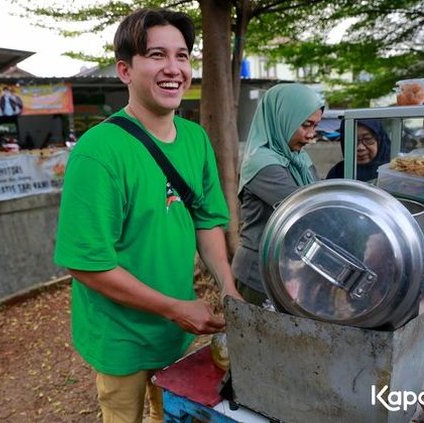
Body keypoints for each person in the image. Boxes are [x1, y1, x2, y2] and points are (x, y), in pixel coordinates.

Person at [54, 8, 241, 423]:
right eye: (157, 55)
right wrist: (175, 307)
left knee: (169, 413)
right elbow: (87, 265)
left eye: (183, 55)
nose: (173, 68)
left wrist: (226, 286)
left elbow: (207, 219)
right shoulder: (98, 153)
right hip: (120, 335)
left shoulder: (195, 139)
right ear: (125, 70)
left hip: (174, 331)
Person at [231, 83, 324, 306]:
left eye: (315, 126)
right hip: (259, 275)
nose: (311, 135)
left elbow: (322, 198)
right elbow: (308, 210)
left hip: (288, 271)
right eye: (306, 125)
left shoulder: (299, 159)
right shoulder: (263, 164)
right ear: (284, 118)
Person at [326, 119, 391, 182]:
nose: (360, 148)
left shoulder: (393, 171)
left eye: (367, 139)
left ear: (379, 140)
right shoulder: (337, 174)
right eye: (353, 140)